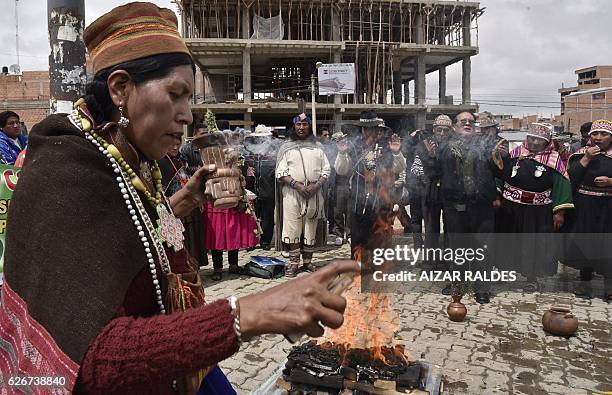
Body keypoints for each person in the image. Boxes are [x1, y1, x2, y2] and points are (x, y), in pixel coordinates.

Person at [0, 3, 359, 393]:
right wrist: (249, 312)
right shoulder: (64, 172)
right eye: (176, 94)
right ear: (121, 88)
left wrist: (179, 203)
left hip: (173, 368)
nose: (187, 115)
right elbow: (90, 360)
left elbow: (122, 239)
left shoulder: (129, 156)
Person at [424, 112, 503, 304]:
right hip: (455, 206)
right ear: (455, 126)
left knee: (482, 248)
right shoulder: (444, 147)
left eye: (470, 121)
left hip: (482, 207)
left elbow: (501, 171)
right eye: (463, 121)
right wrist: (432, 158)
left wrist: (499, 160)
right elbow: (434, 174)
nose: (467, 123)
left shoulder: (487, 144)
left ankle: (481, 288)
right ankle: (457, 284)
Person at [496, 123, 573, 291]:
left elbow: (562, 185)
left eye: (539, 139)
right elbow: (500, 174)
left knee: (532, 245)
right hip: (510, 208)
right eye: (531, 138)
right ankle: (502, 273)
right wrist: (497, 196)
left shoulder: (554, 160)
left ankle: (531, 277)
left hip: (537, 210)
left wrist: (559, 212)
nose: (534, 142)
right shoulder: (515, 154)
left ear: (547, 141)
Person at [335, 111, 406, 259]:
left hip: (379, 201)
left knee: (378, 237)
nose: (369, 132)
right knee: (358, 236)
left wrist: (397, 153)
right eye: (366, 129)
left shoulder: (386, 147)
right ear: (362, 129)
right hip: (357, 201)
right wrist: (341, 154)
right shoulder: (353, 146)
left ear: (377, 129)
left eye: (372, 128)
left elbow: (398, 168)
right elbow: (342, 170)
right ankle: (357, 266)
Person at [275, 113, 331, 277]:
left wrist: (316, 185)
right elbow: (280, 171)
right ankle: (293, 263)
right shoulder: (286, 147)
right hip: (292, 193)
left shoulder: (318, 147)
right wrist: (297, 185)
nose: (301, 127)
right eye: (298, 124)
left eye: (305, 124)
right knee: (292, 227)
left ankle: (308, 262)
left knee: (310, 227)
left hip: (314, 193)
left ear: (309, 126)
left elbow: (326, 169)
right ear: (294, 126)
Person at [567, 119, 612, 303]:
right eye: (595, 134)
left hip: (609, 207)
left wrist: (610, 182)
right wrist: (586, 158)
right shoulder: (579, 155)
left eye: (604, 134)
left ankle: (609, 287)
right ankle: (585, 284)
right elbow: (571, 178)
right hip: (585, 205)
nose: (599, 138)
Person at [243, 124, 278, 250]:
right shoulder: (249, 151)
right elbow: (244, 168)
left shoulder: (274, 151)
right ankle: (252, 241)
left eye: (263, 138)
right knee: (252, 217)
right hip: (252, 189)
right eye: (258, 138)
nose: (260, 140)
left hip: (268, 189)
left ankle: (266, 241)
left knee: (268, 217)